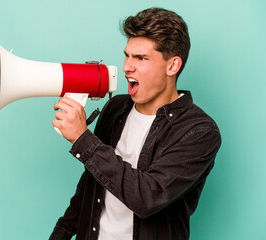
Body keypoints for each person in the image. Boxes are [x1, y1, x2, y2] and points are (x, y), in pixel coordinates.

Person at [50, 7, 221, 240]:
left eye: (141, 58)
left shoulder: (199, 131)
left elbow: (147, 197)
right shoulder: (115, 108)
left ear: (172, 66)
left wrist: (83, 139)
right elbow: (90, 187)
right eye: (127, 55)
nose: (126, 67)